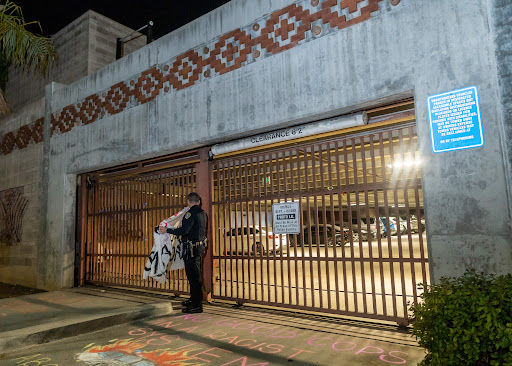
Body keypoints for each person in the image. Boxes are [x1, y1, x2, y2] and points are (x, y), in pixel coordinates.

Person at [156, 192, 207, 313]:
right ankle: (194, 299)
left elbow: (184, 230)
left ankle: (197, 305)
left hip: (192, 250)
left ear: (188, 202)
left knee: (194, 277)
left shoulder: (190, 214)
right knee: (195, 275)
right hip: (198, 248)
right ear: (199, 201)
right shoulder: (203, 213)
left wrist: (167, 230)